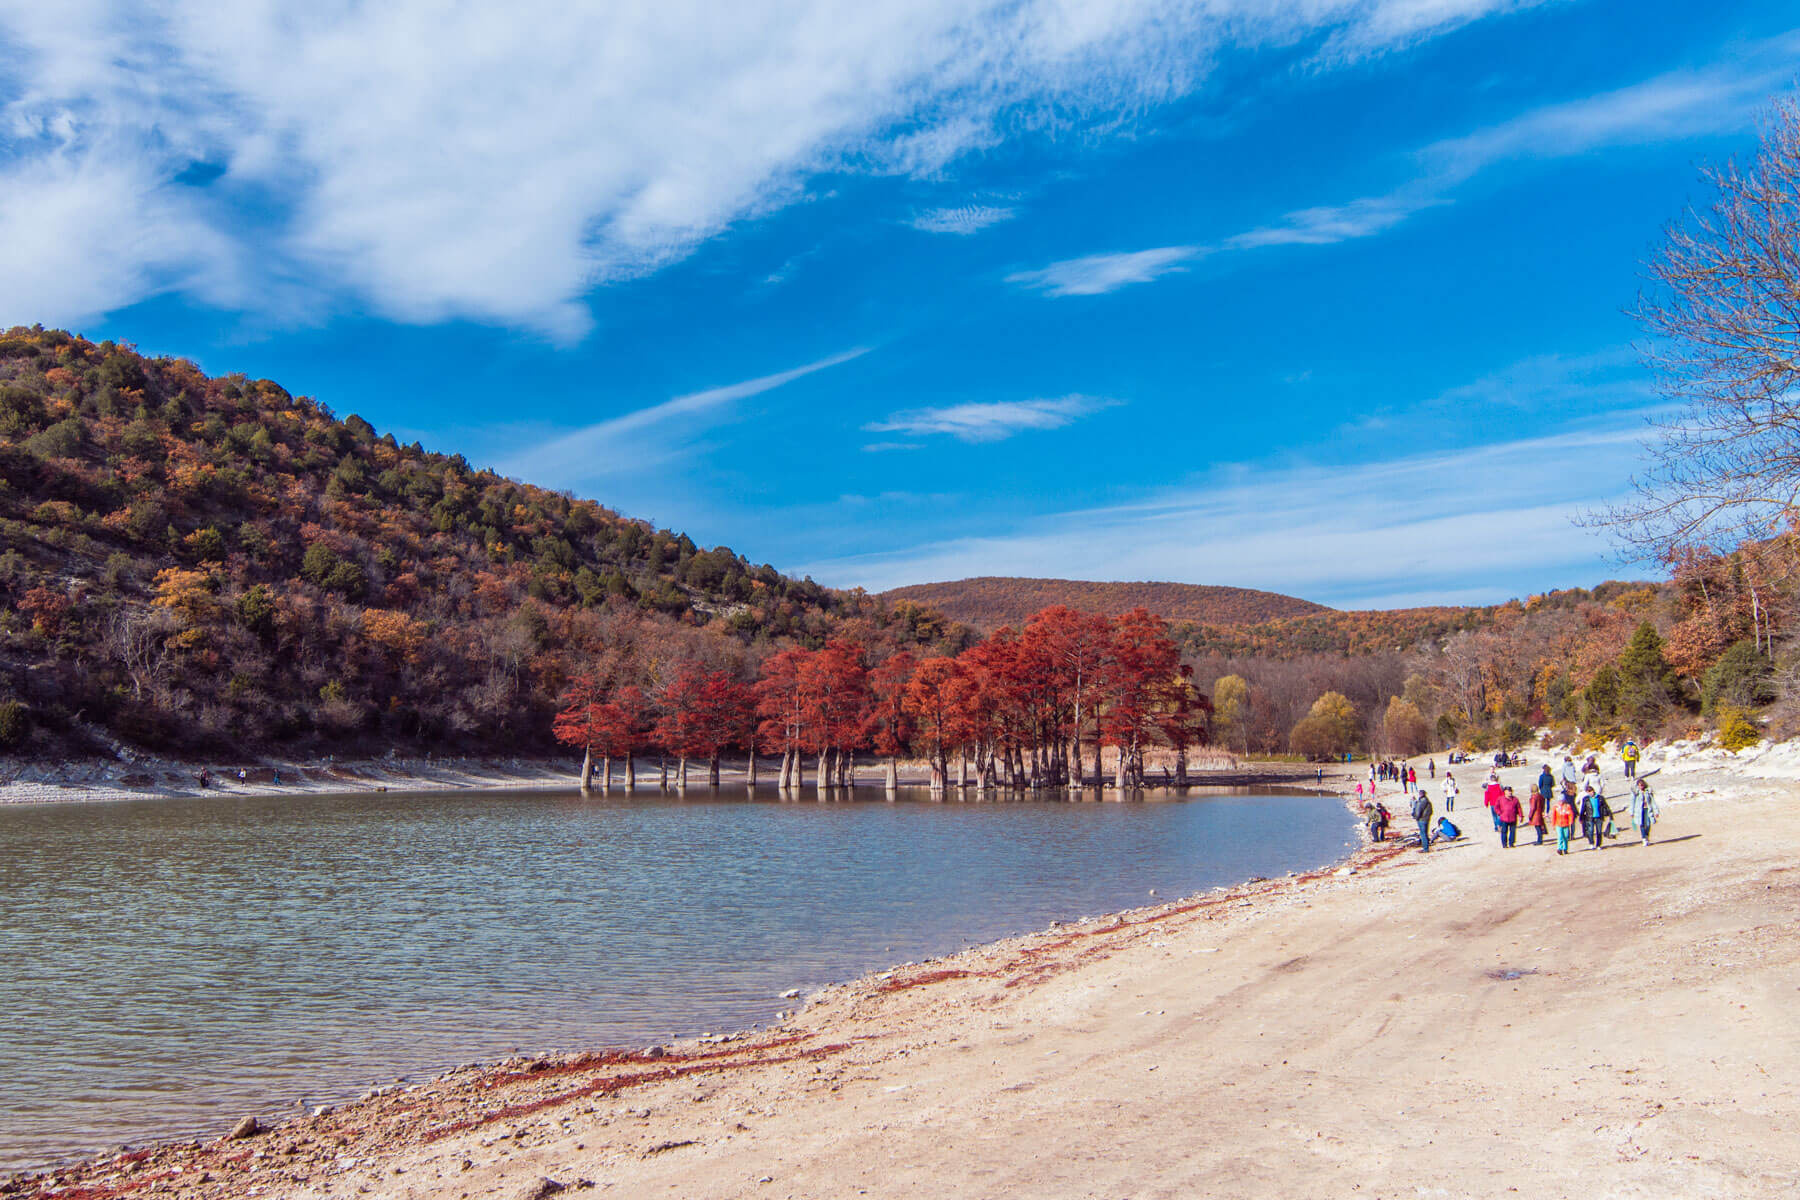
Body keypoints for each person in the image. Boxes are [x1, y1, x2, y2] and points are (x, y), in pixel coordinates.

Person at [1630, 779, 1659, 846]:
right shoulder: (1636, 793)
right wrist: (1632, 812)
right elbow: (1632, 802)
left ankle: (1646, 836)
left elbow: (1653, 802)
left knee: (1648, 824)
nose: (1641, 787)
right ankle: (1644, 839)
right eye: (1639, 785)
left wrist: (1656, 811)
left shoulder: (1648, 791)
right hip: (1639, 811)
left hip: (1647, 810)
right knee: (1642, 824)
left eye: (1642, 785)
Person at [1583, 782, 1608, 850]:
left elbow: (1605, 806)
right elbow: (1583, 808)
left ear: (1593, 790)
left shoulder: (1600, 798)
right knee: (1590, 831)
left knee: (1599, 831)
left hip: (1599, 817)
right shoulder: (1586, 799)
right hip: (1590, 817)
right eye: (1588, 792)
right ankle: (1591, 843)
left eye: (1591, 791)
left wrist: (1608, 814)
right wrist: (1581, 817)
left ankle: (1598, 845)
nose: (1590, 793)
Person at [1523, 781, 1546, 846]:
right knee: (1539, 827)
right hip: (1540, 812)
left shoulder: (1534, 797)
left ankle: (1539, 840)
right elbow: (1543, 805)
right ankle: (1540, 839)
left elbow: (1533, 807)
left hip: (1536, 814)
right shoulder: (1541, 796)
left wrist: (1530, 815)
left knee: (1537, 827)